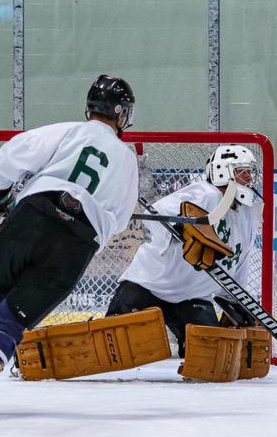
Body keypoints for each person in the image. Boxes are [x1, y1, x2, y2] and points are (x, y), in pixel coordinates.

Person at [0, 74, 142, 415]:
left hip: (33, 213)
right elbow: (121, 220)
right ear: (122, 114)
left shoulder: (70, 130)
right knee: (15, 313)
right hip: (78, 240)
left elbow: (14, 153)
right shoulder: (126, 160)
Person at [106, 145, 263, 359]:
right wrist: (179, 228)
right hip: (149, 285)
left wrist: (237, 302)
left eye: (250, 171)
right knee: (113, 346)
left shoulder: (248, 214)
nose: (248, 177)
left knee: (211, 357)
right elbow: (158, 214)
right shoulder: (206, 194)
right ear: (221, 171)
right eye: (240, 171)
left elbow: (240, 261)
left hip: (192, 298)